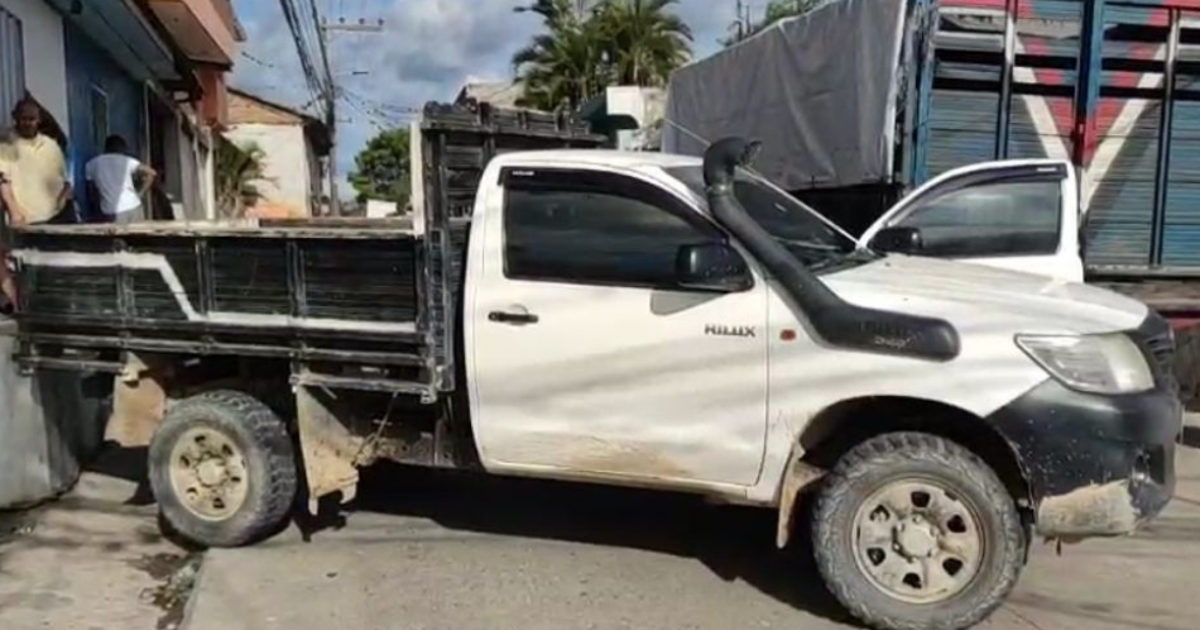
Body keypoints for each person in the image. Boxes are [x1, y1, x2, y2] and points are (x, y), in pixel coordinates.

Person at [0, 96, 74, 227]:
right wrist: (14, 213)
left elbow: (64, 179)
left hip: (56, 216)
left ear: (39, 120)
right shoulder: (6, 144)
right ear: (16, 118)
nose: (28, 123)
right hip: (25, 220)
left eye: (32, 119)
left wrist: (64, 196)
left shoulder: (51, 145)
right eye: (24, 119)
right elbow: (3, 183)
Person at [86, 135, 156, 224]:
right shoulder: (127, 160)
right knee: (139, 232)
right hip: (133, 206)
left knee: (116, 233)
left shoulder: (92, 164)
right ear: (121, 148)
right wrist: (140, 193)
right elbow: (151, 173)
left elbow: (91, 191)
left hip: (111, 210)